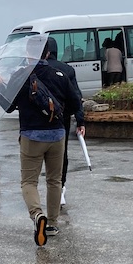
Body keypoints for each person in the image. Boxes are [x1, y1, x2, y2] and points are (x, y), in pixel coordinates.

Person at [0, 36, 81, 247]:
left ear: (28, 53)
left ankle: (37, 215)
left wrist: (0, 85)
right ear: (48, 53)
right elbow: (74, 102)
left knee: (28, 182)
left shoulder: (20, 75)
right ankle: (51, 223)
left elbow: (7, 106)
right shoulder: (60, 74)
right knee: (54, 180)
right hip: (57, 135)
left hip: (31, 136)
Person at [44, 38, 85, 206]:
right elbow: (76, 96)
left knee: (41, 155)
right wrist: (81, 121)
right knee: (61, 153)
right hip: (63, 119)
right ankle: (60, 188)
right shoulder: (67, 69)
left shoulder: (35, 70)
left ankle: (49, 188)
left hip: (41, 119)